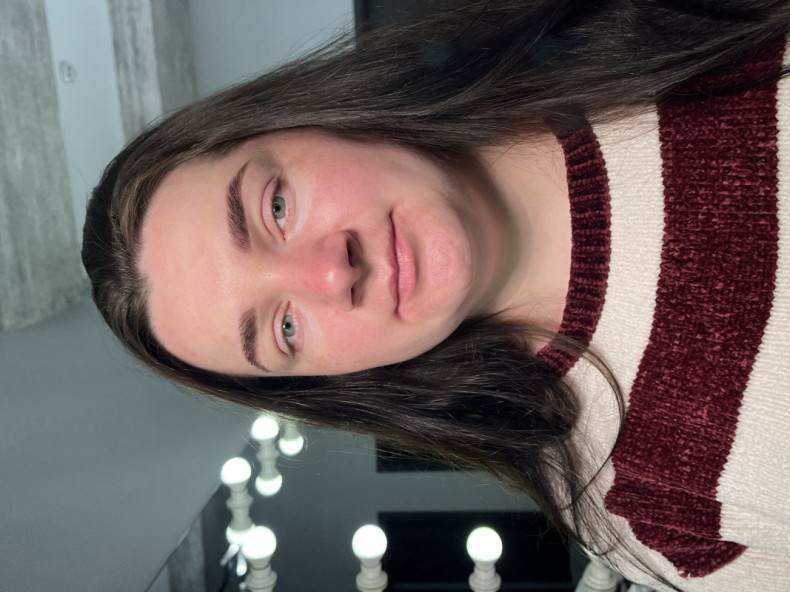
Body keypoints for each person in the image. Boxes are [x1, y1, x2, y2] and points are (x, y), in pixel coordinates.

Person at [81, 1, 790, 590]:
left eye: (275, 209)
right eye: (285, 329)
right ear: (333, 382)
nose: (331, 275)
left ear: (301, 119)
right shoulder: (642, 512)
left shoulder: (641, 20)